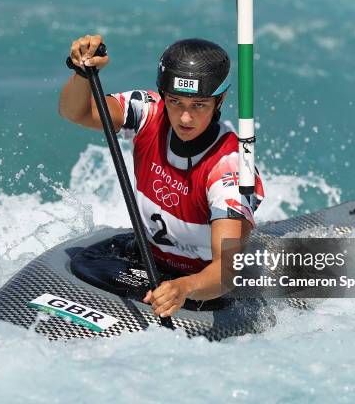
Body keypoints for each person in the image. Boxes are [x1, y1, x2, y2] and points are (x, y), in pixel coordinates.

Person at [59, 34, 264, 318]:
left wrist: (184, 287)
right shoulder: (148, 112)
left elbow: (227, 271)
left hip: (203, 281)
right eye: (175, 101)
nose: (185, 118)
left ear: (221, 99)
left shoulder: (230, 168)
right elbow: (76, 112)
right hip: (147, 256)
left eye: (199, 105)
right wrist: (82, 72)